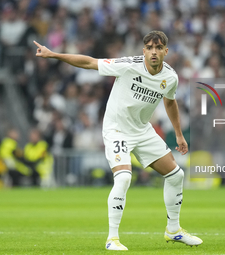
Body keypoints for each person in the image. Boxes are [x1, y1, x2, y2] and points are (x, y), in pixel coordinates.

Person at [34, 30, 202, 250]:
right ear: (143, 51)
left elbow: (170, 102)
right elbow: (90, 63)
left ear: (165, 51)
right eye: (149, 48)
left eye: (158, 48)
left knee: (176, 175)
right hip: (117, 130)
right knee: (123, 179)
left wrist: (179, 134)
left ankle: (173, 230)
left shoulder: (170, 77)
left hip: (142, 131)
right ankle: (112, 239)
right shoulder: (128, 65)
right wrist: (53, 54)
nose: (153, 52)